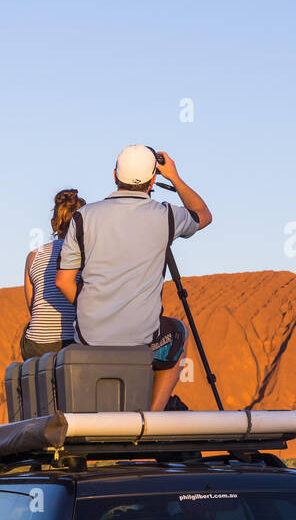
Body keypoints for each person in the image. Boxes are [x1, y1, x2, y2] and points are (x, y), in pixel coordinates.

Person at [55, 146, 212, 411]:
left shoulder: (84, 216)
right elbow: (203, 215)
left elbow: (63, 281)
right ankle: (152, 417)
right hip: (143, 339)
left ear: (115, 175)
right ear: (153, 180)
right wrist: (173, 176)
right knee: (178, 332)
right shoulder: (168, 215)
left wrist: (89, 311)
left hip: (90, 338)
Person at [19, 189, 86, 360]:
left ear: (53, 224)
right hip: (74, 341)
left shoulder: (34, 256)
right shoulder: (87, 254)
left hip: (36, 345)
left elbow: (32, 307)